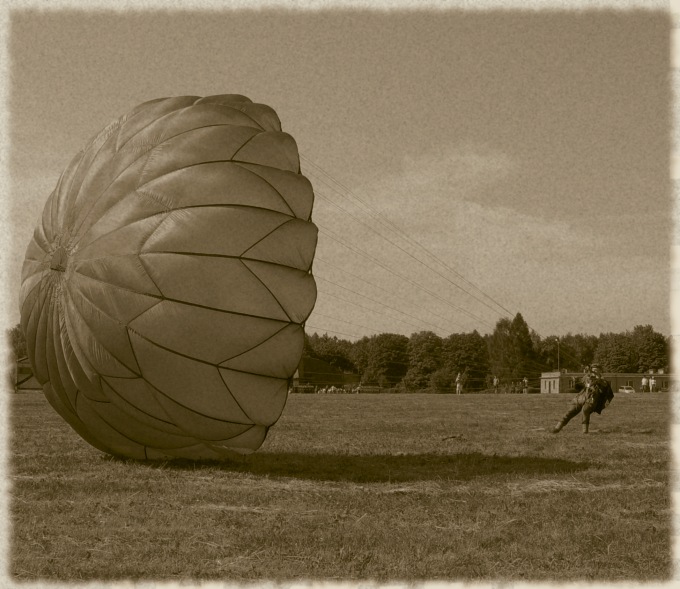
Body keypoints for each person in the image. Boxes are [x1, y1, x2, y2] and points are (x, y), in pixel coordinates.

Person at [552, 364, 614, 434]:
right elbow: (578, 387)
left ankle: (585, 431)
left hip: (591, 400)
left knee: (585, 410)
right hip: (580, 399)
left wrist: (597, 380)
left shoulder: (603, 381)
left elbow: (604, 390)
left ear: (600, 371)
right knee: (570, 412)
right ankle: (557, 428)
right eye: (593, 370)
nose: (594, 372)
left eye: (596, 370)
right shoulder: (587, 377)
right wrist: (575, 382)